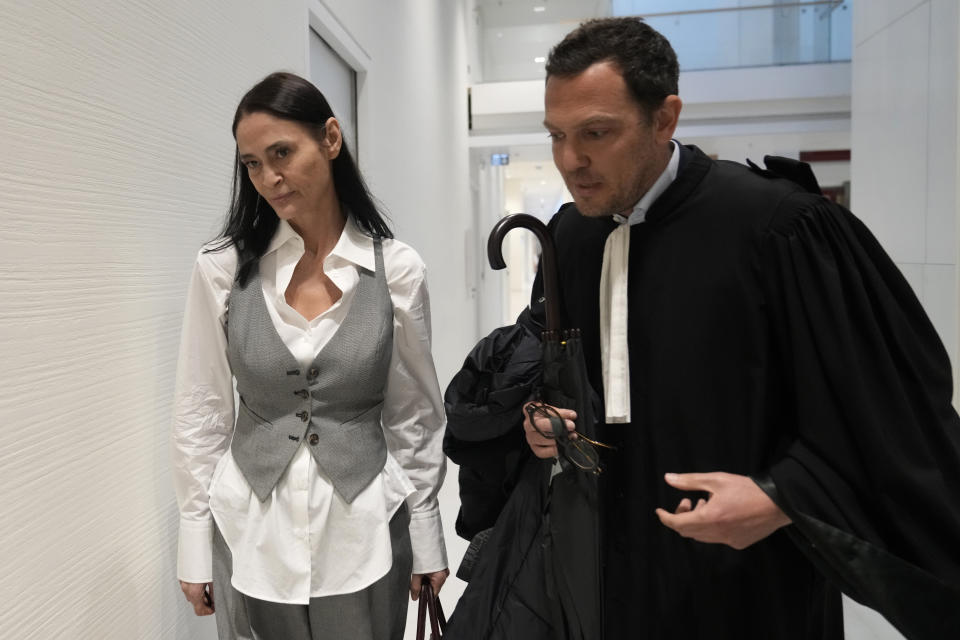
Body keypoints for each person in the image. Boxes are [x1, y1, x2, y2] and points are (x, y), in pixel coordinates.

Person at [513, 17, 960, 640]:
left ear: (664, 118)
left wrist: (784, 496)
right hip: (604, 578)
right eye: (557, 135)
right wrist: (545, 418)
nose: (570, 160)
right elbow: (553, 372)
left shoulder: (778, 226)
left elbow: (888, 409)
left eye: (596, 133)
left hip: (748, 584)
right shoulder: (570, 235)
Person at [171, 71, 448, 640]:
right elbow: (201, 410)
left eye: (281, 153)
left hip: (364, 528)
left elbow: (413, 412)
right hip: (250, 527)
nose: (268, 178)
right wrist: (194, 537)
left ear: (330, 138)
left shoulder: (397, 271)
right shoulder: (221, 270)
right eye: (251, 163)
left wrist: (425, 533)